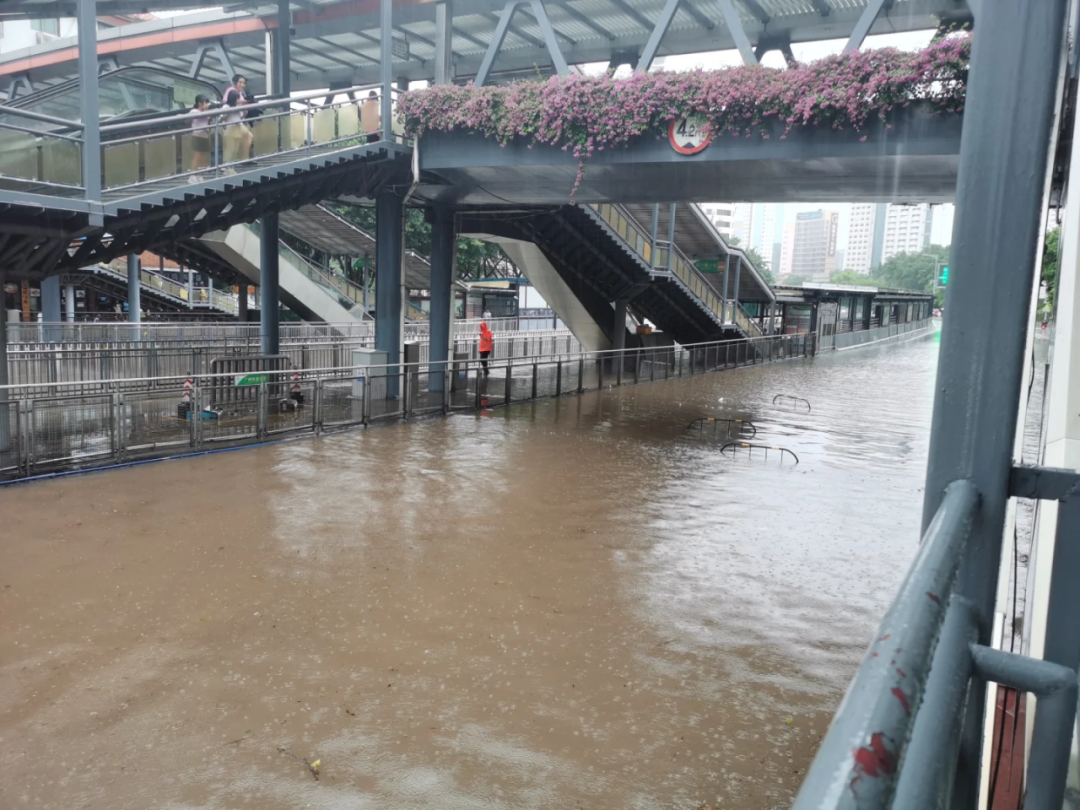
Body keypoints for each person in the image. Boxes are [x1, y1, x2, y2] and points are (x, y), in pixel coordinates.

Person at [222, 74, 253, 170]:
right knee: (231, 145)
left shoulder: (239, 93)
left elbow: (241, 106)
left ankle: (243, 159)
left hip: (238, 121)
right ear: (235, 82)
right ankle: (226, 165)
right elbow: (230, 102)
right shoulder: (231, 91)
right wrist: (245, 102)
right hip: (231, 123)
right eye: (240, 82)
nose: (242, 84)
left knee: (246, 138)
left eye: (244, 83)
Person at [187, 94, 212, 184]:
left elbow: (208, 120)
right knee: (197, 156)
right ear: (199, 103)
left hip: (205, 135)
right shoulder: (194, 111)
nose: (207, 104)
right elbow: (193, 118)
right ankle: (192, 175)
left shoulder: (207, 111)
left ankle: (200, 174)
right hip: (197, 135)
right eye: (205, 102)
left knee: (204, 156)